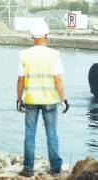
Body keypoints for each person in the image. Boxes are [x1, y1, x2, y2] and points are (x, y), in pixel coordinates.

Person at [16, 19, 69, 177]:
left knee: (29, 134)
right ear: (46, 35)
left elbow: (20, 79)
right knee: (52, 133)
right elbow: (58, 80)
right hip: (50, 101)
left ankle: (28, 168)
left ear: (32, 36)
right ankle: (55, 167)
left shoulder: (24, 55)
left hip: (31, 100)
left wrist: (19, 100)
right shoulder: (54, 55)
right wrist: (63, 100)